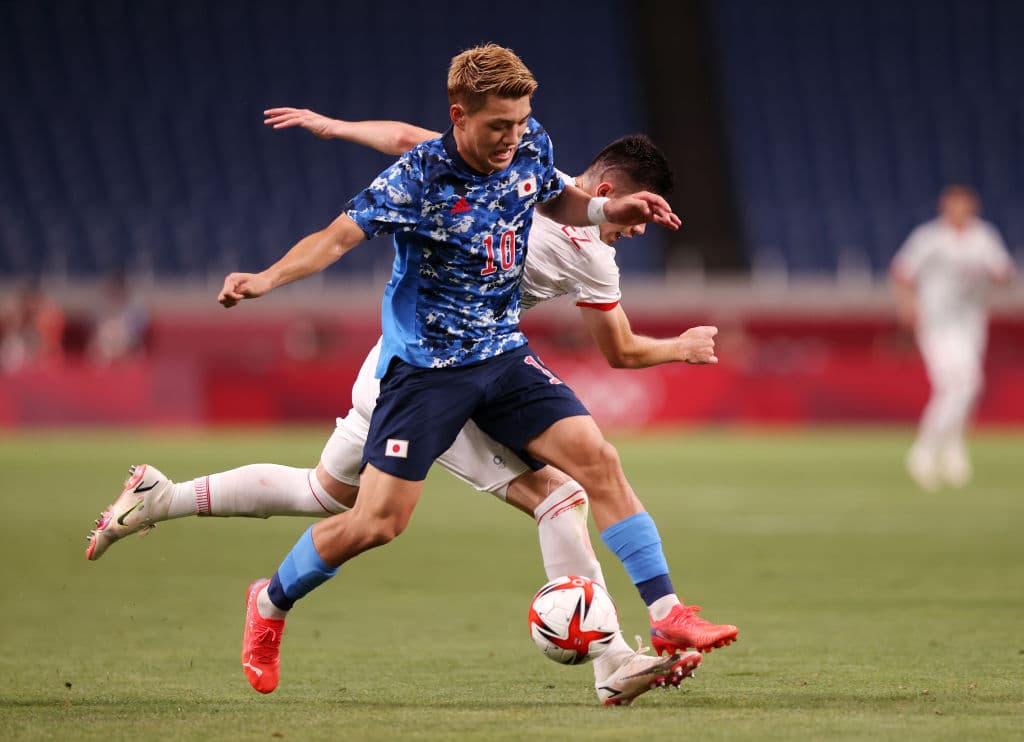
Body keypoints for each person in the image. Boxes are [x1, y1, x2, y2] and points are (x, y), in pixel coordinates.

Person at [101, 45, 734, 701]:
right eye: (499, 127)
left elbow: (562, 203)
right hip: (420, 371)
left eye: (521, 124)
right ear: (461, 117)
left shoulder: (531, 152)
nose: (513, 139)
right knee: (368, 518)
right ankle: (270, 598)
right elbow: (337, 235)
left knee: (586, 469)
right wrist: (267, 277)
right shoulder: (418, 180)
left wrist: (609, 215)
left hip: (498, 354)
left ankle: (658, 625)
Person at [891, 184, 1015, 491]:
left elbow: (1003, 272)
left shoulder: (983, 237)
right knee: (960, 384)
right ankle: (924, 451)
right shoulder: (929, 238)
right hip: (936, 322)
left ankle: (952, 450)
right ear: (945, 207)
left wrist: (994, 277)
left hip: (970, 322)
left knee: (963, 387)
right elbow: (902, 272)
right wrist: (908, 305)